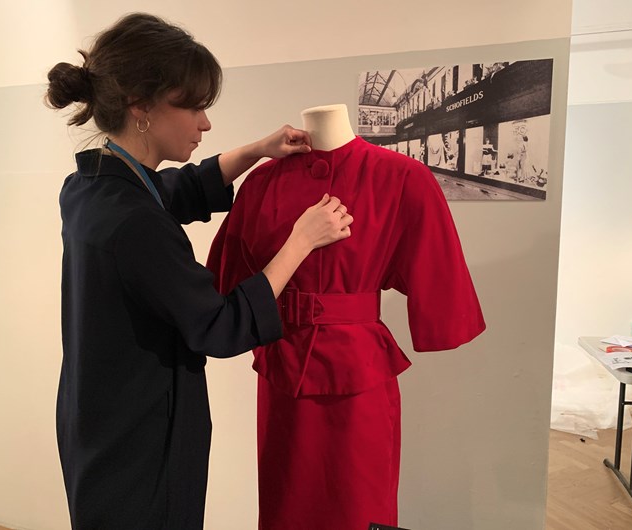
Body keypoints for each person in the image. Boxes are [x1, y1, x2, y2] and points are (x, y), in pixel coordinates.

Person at [44, 13, 353, 530]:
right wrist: (302, 240)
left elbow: (170, 193)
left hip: (96, 417)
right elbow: (220, 325)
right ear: (141, 106)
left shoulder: (94, 185)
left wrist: (257, 151)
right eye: (193, 107)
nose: (205, 125)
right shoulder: (132, 220)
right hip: (140, 437)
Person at [208, 104, 485, 529]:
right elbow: (230, 280)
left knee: (359, 506)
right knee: (287, 506)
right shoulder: (261, 181)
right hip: (285, 371)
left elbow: (438, 276)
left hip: (360, 377)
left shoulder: (403, 176)